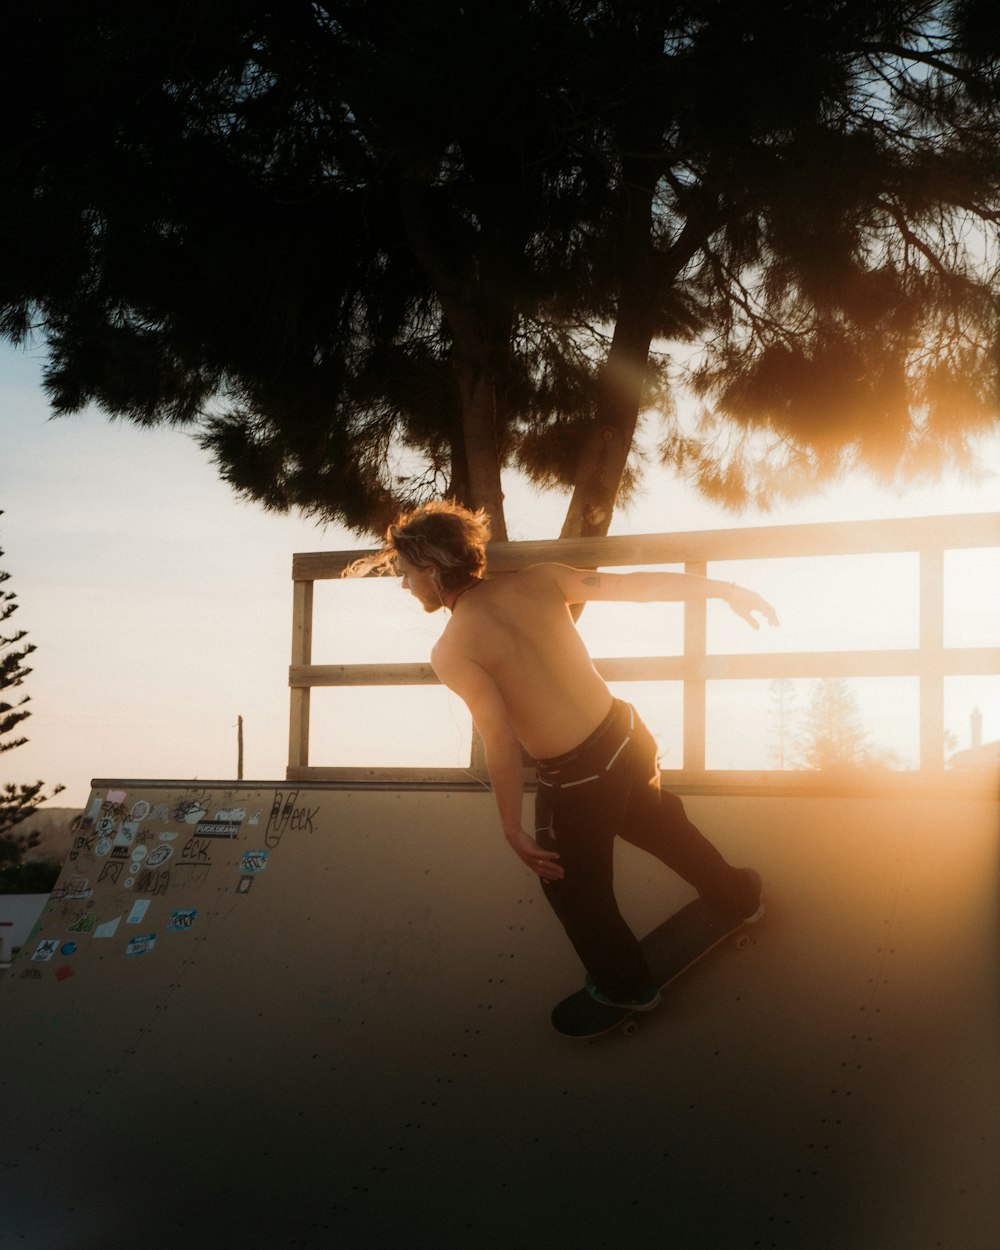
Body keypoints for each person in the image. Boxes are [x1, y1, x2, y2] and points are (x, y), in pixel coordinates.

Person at [347, 500, 779, 1011]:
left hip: (577, 780)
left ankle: (625, 989)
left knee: (575, 891)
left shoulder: (453, 649)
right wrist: (726, 591)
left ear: (434, 570)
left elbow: (501, 742)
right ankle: (741, 900)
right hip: (626, 735)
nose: (404, 585)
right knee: (660, 823)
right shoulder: (540, 579)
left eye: (406, 573)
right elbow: (634, 588)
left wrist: (512, 828)